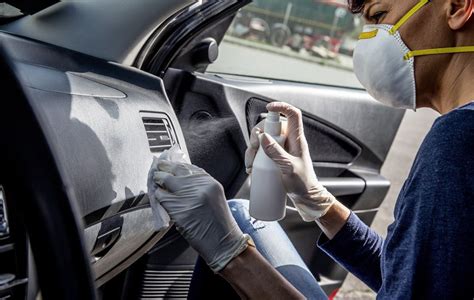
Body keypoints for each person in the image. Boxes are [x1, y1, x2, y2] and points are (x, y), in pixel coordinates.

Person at [152, 0, 474, 298]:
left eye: (378, 15)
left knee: (235, 230)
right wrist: (316, 199)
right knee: (239, 215)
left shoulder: (459, 141)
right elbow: (411, 278)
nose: (370, 40)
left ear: (458, 6)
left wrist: (231, 256)